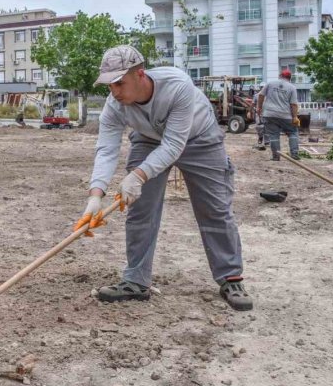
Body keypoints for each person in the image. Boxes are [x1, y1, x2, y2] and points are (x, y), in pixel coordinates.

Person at [74, 46, 251, 311]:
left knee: (214, 208)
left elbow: (173, 144)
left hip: (198, 138)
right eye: (109, 85)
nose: (115, 92)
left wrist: (137, 175)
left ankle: (231, 278)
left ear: (140, 74)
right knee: (139, 208)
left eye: (119, 83)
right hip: (148, 139)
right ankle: (136, 280)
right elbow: (107, 149)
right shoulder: (114, 105)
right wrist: (95, 196)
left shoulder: (177, 86)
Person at [258, 69, 300, 161]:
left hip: (269, 114)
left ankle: (276, 156)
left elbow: (261, 95)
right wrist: (295, 117)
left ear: (280, 76)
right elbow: (293, 104)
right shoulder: (292, 87)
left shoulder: (270, 83)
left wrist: (259, 108)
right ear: (290, 78)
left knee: (273, 135)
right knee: (293, 132)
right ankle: (294, 154)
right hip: (285, 115)